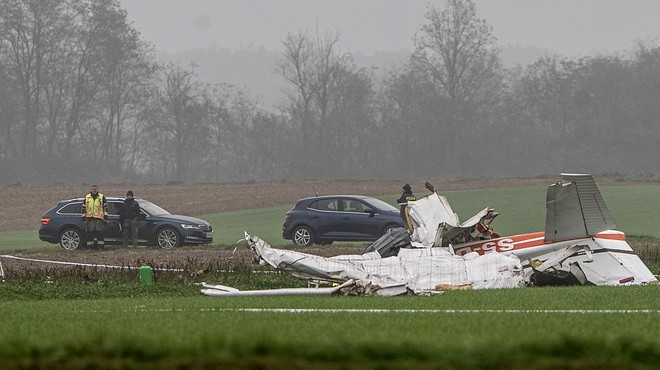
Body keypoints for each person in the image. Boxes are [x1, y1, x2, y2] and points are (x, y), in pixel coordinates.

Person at [81, 184, 108, 250]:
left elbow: (105, 208)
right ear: (91, 189)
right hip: (90, 218)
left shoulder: (101, 197)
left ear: (97, 189)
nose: (94, 190)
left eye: (95, 189)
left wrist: (105, 218)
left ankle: (100, 247)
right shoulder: (87, 197)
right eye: (93, 189)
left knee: (100, 233)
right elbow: (83, 208)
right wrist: (84, 218)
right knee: (90, 233)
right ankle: (89, 248)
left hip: (99, 218)